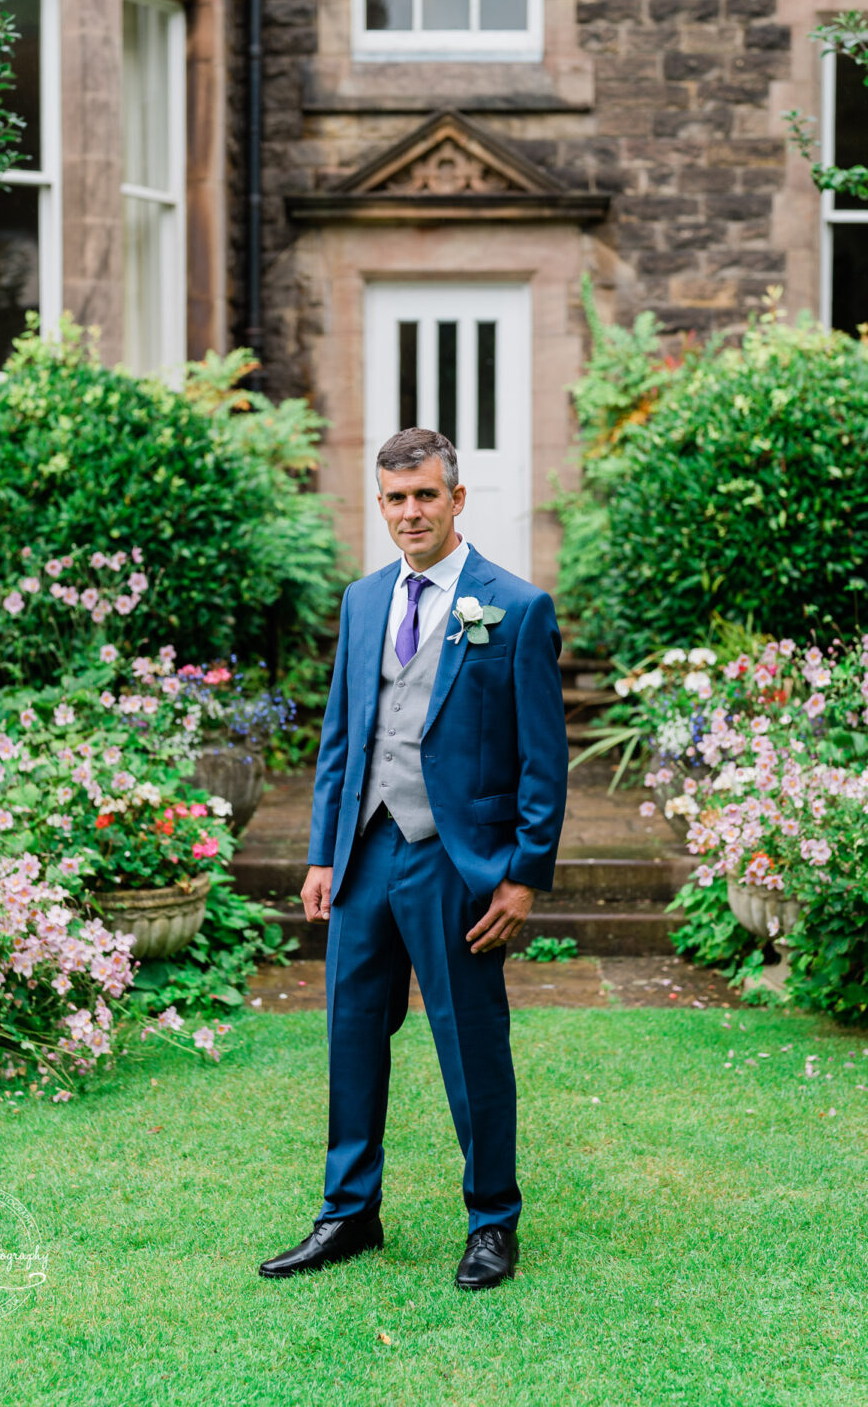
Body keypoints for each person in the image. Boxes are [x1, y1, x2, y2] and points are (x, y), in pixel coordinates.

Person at [258, 427, 568, 1290]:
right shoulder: (362, 602)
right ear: (381, 504)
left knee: (471, 1042)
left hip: (454, 859)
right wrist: (323, 852)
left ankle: (491, 1222)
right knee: (352, 1036)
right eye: (395, 498)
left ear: (456, 499)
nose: (410, 512)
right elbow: (340, 740)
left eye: (425, 495)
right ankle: (349, 1214)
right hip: (364, 854)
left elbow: (545, 759)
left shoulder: (514, 606)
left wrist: (523, 872)